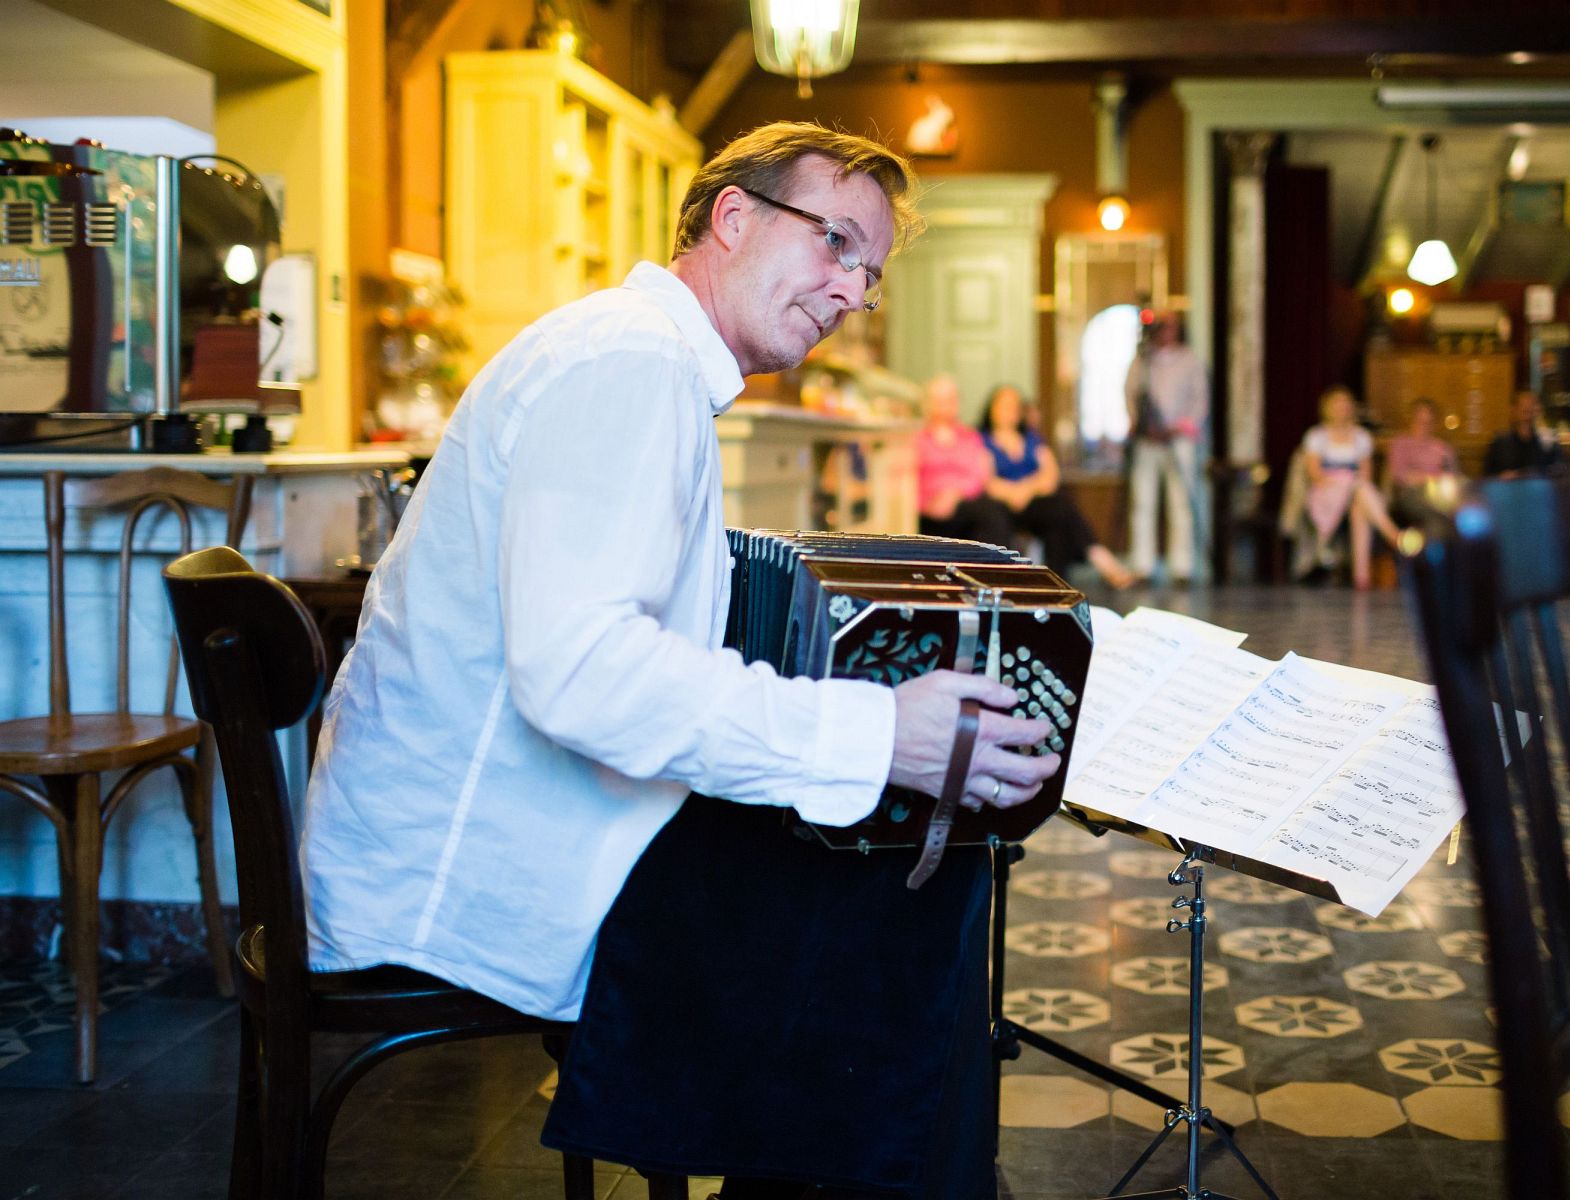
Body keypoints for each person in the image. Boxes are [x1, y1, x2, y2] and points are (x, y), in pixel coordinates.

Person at [303, 122, 1060, 1200]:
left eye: (871, 274)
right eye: (838, 243)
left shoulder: (636, 357)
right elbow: (583, 676)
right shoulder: (626, 365)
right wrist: (885, 733)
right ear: (733, 217)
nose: (852, 292)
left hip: (503, 813)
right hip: (469, 865)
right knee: (906, 879)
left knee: (887, 848)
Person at [979, 383, 1138, 588]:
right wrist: (1015, 492)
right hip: (1002, 506)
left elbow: (1051, 475)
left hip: (1035, 503)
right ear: (991, 409)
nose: (1009, 412)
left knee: (1057, 519)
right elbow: (986, 481)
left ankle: (1057, 582)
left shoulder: (1031, 439)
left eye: (1014, 406)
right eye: (1003, 406)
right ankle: (1097, 556)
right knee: (1060, 510)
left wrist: (1026, 489)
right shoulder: (982, 441)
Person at [1122, 311, 1209, 585]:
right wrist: (1140, 423)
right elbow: (1130, 394)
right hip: (1148, 440)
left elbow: (1199, 399)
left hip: (1178, 439)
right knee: (1143, 502)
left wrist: (1181, 426)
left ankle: (1182, 567)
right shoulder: (1143, 361)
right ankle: (1143, 565)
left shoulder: (1189, 360)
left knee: (1180, 502)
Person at [1298, 385, 1401, 590]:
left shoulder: (1361, 437)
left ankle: (1361, 577)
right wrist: (1342, 480)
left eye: (1346, 403)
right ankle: (1394, 536)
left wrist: (1351, 482)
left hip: (1356, 489)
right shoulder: (1316, 436)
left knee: (1359, 504)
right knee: (1358, 490)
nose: (1342, 408)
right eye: (1337, 403)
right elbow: (1314, 473)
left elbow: (1366, 473)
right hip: (1327, 490)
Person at [915, 373, 1013, 547]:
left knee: (992, 511)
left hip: (964, 506)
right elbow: (905, 483)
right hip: (927, 512)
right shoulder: (915, 439)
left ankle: (993, 570)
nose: (945, 406)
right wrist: (929, 503)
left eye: (950, 400)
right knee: (989, 515)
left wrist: (954, 494)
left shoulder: (970, 437)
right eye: (939, 400)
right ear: (927, 403)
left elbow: (978, 476)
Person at [1482, 390, 1568, 480]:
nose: (1528, 416)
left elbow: (1560, 469)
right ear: (1514, 411)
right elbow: (1487, 475)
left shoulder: (1548, 440)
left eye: (1531, 411)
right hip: (1508, 490)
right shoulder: (1500, 442)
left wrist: (1533, 475)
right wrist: (1501, 476)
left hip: (1537, 490)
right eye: (1524, 411)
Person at [1384, 397, 1459, 496]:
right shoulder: (1400, 444)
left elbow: (1453, 477)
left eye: (1428, 423)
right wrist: (1433, 480)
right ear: (1411, 420)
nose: (1423, 427)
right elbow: (1400, 475)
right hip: (1411, 494)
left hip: (1441, 495)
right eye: (1419, 421)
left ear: (1434, 424)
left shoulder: (1443, 447)